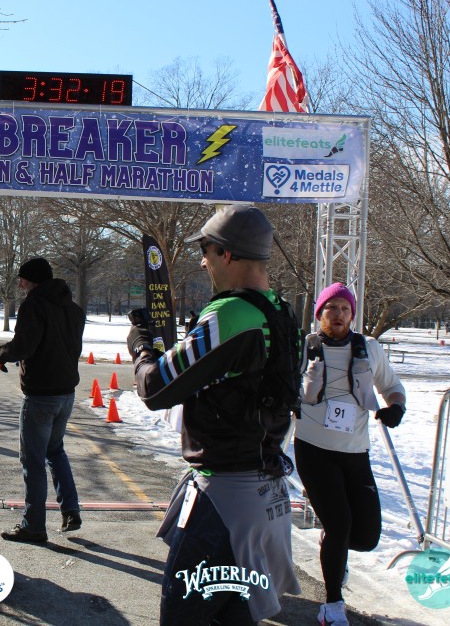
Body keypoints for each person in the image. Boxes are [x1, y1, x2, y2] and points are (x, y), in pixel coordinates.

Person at [127, 205, 301, 624]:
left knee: (181, 615)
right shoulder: (282, 312)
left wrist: (141, 345)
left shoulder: (231, 314)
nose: (203, 262)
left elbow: (155, 389)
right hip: (266, 491)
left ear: (227, 253)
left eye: (206, 251)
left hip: (226, 498)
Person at [296, 283, 406, 626]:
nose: (339, 315)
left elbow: (392, 386)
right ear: (320, 314)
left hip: (355, 451)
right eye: (332, 308)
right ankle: (332, 606)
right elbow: (281, 386)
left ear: (353, 315)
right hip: (313, 449)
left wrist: (395, 407)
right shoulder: (305, 348)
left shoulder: (368, 348)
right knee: (340, 522)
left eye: (345, 309)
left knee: (366, 537)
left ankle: (333, 543)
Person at [0, 257, 85, 543]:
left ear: (31, 280)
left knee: (33, 460)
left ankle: (33, 525)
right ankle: (70, 510)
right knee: (55, 451)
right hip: (66, 393)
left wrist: (2, 353)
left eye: (22, 278)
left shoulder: (33, 305)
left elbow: (24, 346)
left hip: (41, 396)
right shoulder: (73, 309)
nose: (20, 283)